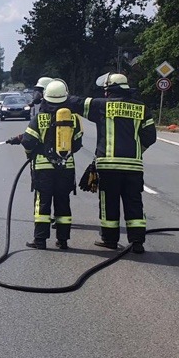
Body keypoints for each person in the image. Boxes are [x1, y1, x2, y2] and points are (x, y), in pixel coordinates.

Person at [65, 73, 156, 253]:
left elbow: (77, 103)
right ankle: (137, 242)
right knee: (134, 203)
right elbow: (150, 137)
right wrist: (136, 151)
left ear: (108, 90)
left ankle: (109, 240)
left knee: (109, 204)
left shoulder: (101, 105)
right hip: (133, 167)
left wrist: (57, 95)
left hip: (108, 166)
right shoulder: (142, 108)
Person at [6, 79, 83, 249]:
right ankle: (63, 241)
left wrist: (30, 156)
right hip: (66, 168)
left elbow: (28, 141)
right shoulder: (74, 119)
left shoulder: (39, 118)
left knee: (43, 203)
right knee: (63, 202)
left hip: (43, 169)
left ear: (46, 97)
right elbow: (77, 145)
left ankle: (40, 240)